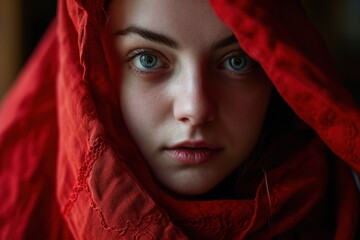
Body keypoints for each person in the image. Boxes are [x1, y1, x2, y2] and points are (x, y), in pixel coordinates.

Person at [0, 0, 359, 239]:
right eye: (148, 60)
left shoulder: (339, 208)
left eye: (238, 61)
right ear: (90, 71)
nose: (196, 108)